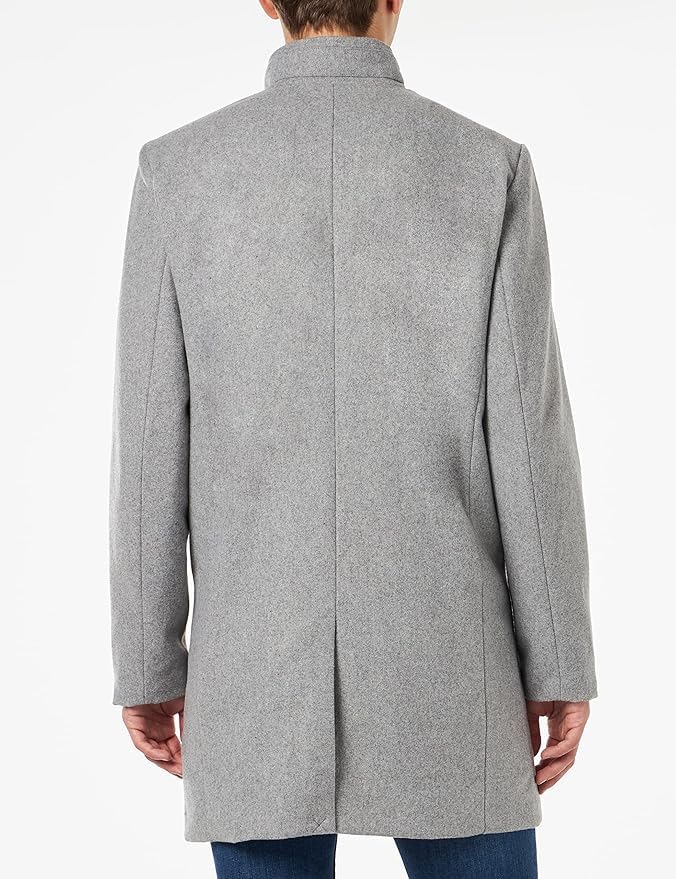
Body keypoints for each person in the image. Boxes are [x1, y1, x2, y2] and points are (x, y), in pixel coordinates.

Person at [109, 1, 597, 876]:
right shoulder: (487, 167)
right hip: (451, 667)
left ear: (269, 1)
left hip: (253, 675)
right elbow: (530, 438)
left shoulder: (178, 171)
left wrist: (146, 663)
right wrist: (558, 659)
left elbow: (149, 448)